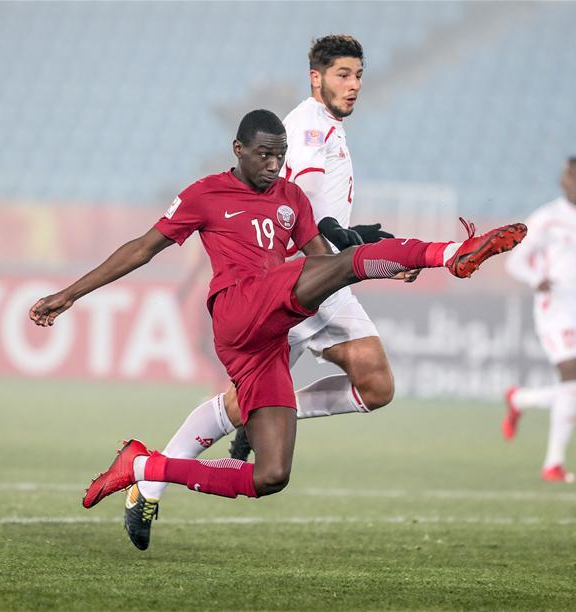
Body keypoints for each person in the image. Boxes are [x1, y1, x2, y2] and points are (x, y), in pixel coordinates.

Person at [29, 109, 526, 520]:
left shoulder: (290, 197)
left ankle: (144, 468)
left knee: (271, 477)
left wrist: (382, 267)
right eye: (264, 154)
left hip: (264, 340)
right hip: (237, 306)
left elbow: (317, 259)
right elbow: (142, 248)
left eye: (280, 156)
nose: (273, 164)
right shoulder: (205, 194)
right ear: (238, 149)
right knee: (347, 264)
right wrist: (70, 295)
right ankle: (451, 254)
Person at [122, 35, 412, 551]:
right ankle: (151, 482)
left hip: (324, 275)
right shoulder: (301, 130)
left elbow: (320, 219)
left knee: (376, 385)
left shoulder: (330, 127)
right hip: (291, 285)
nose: (354, 85)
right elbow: (290, 209)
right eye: (343, 75)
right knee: (242, 405)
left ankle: (252, 426)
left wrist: (369, 244)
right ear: (315, 76)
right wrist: (365, 251)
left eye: (359, 75)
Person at [501, 157, 576, 483]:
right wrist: (535, 277)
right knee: (572, 378)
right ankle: (553, 464)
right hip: (556, 306)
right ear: (563, 183)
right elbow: (516, 262)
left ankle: (519, 399)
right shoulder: (546, 218)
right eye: (570, 177)